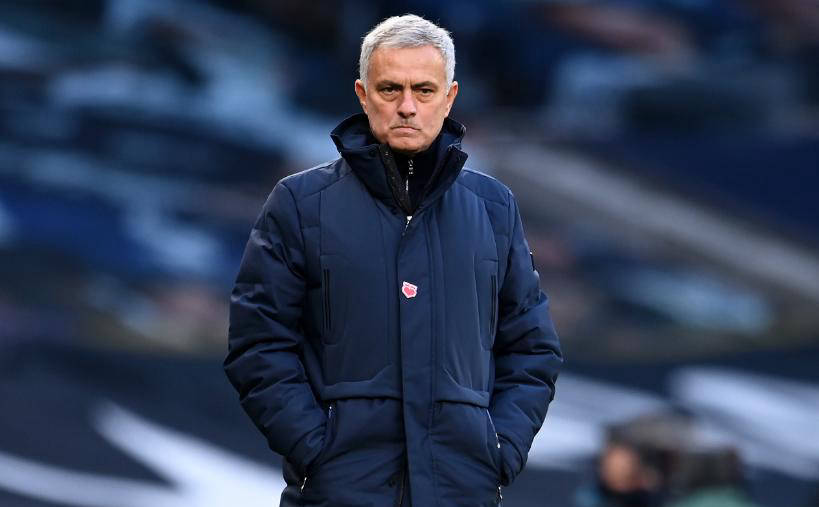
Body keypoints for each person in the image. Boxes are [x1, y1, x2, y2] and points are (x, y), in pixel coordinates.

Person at [224, 14, 563, 506]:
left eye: (424, 90)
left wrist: (499, 449)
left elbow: (531, 349)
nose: (407, 106)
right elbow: (258, 343)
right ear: (363, 96)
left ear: (449, 98)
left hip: (461, 493)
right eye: (390, 89)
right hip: (337, 494)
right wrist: (316, 450)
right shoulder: (300, 203)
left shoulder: (493, 207)